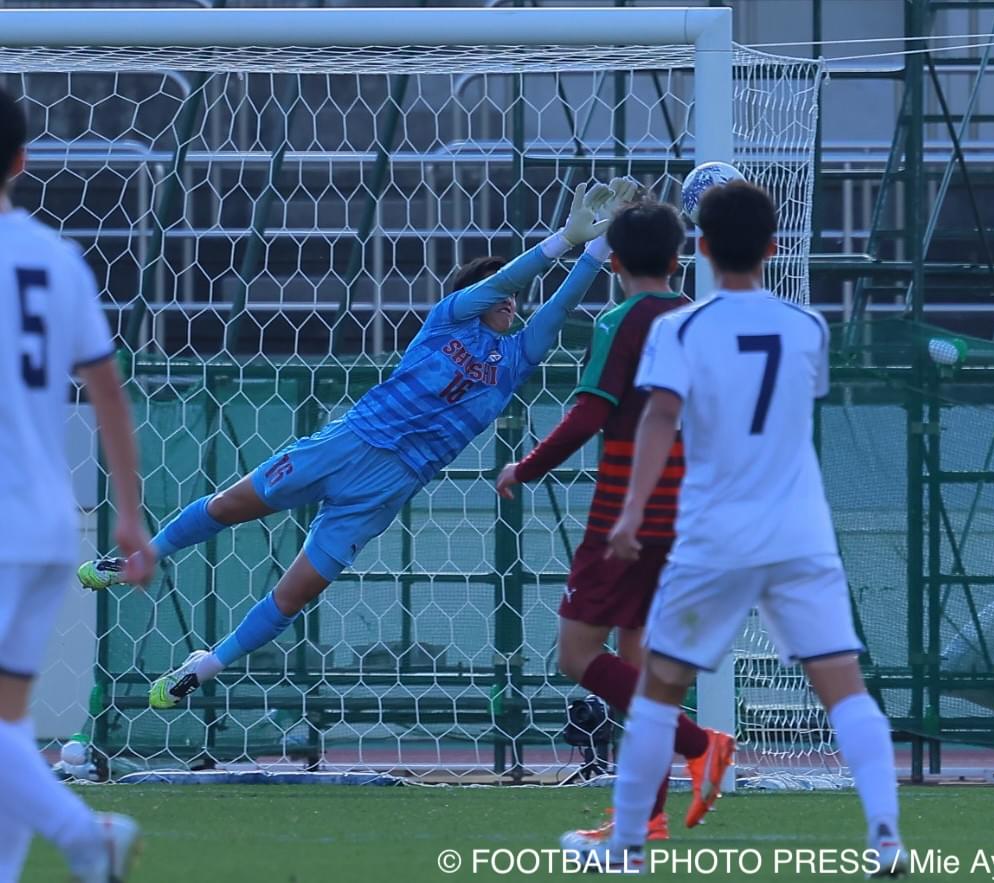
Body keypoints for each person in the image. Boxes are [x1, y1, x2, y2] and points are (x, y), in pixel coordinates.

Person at [79, 177, 637, 710]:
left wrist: (597, 250)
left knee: (296, 594)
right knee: (230, 507)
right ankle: (137, 558)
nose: (510, 300)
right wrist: (563, 241)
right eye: (500, 292)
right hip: (351, 441)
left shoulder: (514, 360)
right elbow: (507, 279)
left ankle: (204, 667)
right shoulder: (448, 321)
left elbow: (559, 308)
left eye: (514, 298)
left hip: (390, 485)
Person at [563, 180, 907, 876]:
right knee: (844, 689)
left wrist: (631, 511)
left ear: (701, 247)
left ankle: (627, 849)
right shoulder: (808, 327)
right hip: (799, 534)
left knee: (657, 691)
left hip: (715, 536)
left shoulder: (680, 330)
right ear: (774, 248)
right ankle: (886, 839)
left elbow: (661, 418)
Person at [495, 200, 732, 841]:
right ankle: (643, 817)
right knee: (642, 667)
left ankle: (698, 744)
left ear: (615, 262)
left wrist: (526, 467)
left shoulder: (621, 321)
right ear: (678, 261)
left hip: (626, 515)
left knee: (577, 656)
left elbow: (590, 414)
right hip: (688, 515)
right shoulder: (700, 320)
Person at [0, 86, 154, 883]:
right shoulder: (57, 257)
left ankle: (85, 833)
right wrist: (128, 513)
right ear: (22, 161)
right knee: (7, 723)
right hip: (47, 523)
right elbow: (107, 389)